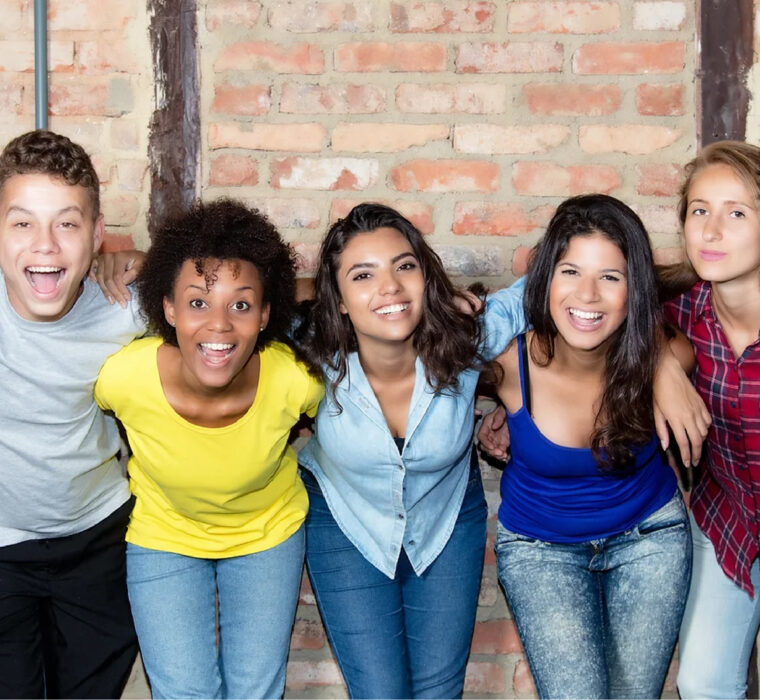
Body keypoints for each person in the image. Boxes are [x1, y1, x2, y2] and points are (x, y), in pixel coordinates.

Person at [94, 199, 323, 699]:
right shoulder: (126, 377)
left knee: (255, 692)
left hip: (267, 536)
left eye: (240, 305)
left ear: (265, 315)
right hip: (165, 536)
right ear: (168, 308)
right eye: (198, 302)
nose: (219, 325)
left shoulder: (293, 379)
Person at [296, 202, 526, 698]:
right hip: (346, 523)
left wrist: (520, 395)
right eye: (363, 275)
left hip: (446, 522)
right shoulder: (314, 355)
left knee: (439, 691)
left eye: (405, 266)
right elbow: (231, 303)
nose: (391, 287)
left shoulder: (465, 341)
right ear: (337, 298)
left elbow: (549, 287)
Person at [492, 194, 692, 699]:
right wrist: (484, 421)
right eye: (570, 271)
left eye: (611, 277)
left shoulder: (669, 357)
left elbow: (671, 342)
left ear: (634, 290)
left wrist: (662, 364)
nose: (588, 295)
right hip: (541, 550)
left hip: (652, 538)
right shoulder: (506, 365)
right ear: (545, 280)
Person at [0, 130, 143, 698]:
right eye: (21, 222)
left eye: (66, 223)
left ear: (96, 236)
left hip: (97, 540)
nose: (45, 245)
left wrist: (145, 260)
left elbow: (224, 307)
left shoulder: (125, 309)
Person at [664, 141, 760, 699]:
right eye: (700, 210)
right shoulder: (681, 309)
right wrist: (662, 366)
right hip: (727, 520)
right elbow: (561, 274)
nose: (712, 230)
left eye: (737, 212)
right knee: (702, 684)